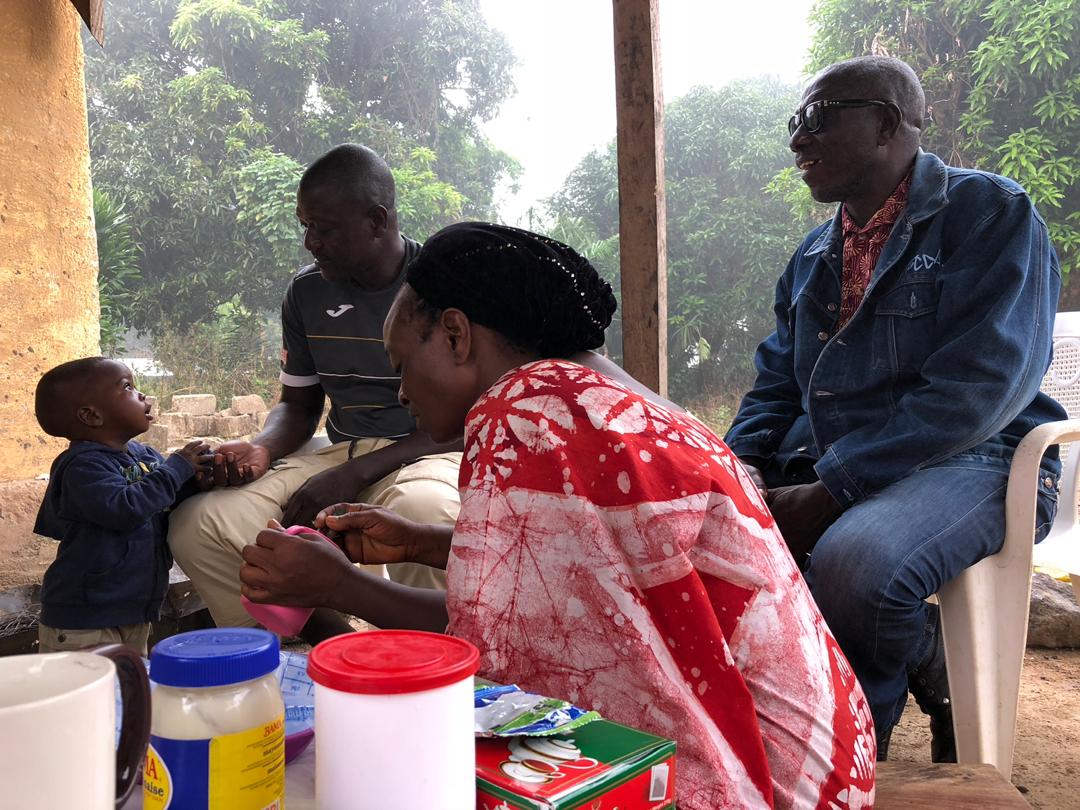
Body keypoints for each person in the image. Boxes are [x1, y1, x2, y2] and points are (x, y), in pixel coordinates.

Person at [239, 223, 877, 809]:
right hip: (825, 754)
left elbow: (501, 641)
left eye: (404, 365)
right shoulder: (600, 396)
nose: (402, 393)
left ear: (457, 335)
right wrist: (421, 543)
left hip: (767, 776)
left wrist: (337, 589)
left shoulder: (525, 412)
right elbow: (588, 584)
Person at [723, 56, 1064, 760]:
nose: (796, 141)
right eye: (794, 123)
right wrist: (742, 467)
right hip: (840, 463)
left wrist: (833, 490)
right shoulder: (815, 255)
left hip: (981, 456)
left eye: (815, 119)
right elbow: (776, 384)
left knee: (857, 565)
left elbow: (979, 389)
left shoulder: (991, 215)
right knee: (718, 545)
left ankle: (847, 766)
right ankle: (924, 662)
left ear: (885, 122)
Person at [168, 144, 462, 641]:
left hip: (431, 450)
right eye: (304, 226)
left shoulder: (445, 287)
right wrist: (264, 449)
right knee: (200, 522)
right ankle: (311, 650)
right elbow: (299, 405)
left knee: (424, 513)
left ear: (376, 221)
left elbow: (465, 420)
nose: (310, 242)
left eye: (324, 228)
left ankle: (446, 662)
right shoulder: (306, 293)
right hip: (342, 448)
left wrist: (355, 473)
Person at [33, 357, 213, 655]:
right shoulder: (82, 466)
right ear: (91, 416)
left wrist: (195, 481)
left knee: (129, 693)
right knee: (90, 697)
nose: (141, 394)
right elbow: (124, 508)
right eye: (127, 387)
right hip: (83, 617)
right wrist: (176, 468)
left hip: (133, 610)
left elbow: (159, 500)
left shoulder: (144, 456)